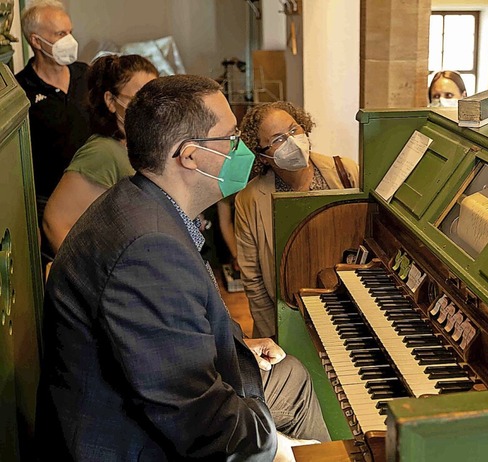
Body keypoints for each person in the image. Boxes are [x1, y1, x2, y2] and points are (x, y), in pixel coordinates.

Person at [36, 75, 330, 461]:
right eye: (231, 138)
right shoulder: (149, 248)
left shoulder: (142, 201)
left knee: (290, 375)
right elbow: (197, 420)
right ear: (189, 155)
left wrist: (234, 346)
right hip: (130, 442)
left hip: (152, 404)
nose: (242, 149)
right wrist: (280, 450)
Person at [236, 101, 359, 339]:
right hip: (288, 315)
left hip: (348, 309)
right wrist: (278, 333)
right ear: (262, 156)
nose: (292, 141)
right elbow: (253, 278)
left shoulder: (345, 171)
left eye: (294, 130)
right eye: (278, 139)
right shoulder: (249, 199)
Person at [42, 54, 159, 254]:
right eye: (138, 99)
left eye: (155, 98)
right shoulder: (101, 153)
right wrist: (84, 281)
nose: (150, 108)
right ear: (111, 101)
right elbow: (55, 222)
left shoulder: (138, 147)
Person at [15, 0, 91, 218]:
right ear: (37, 41)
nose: (70, 40)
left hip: (96, 190)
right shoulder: (21, 91)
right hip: (51, 203)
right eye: (60, 34)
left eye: (70, 32)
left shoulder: (86, 75)